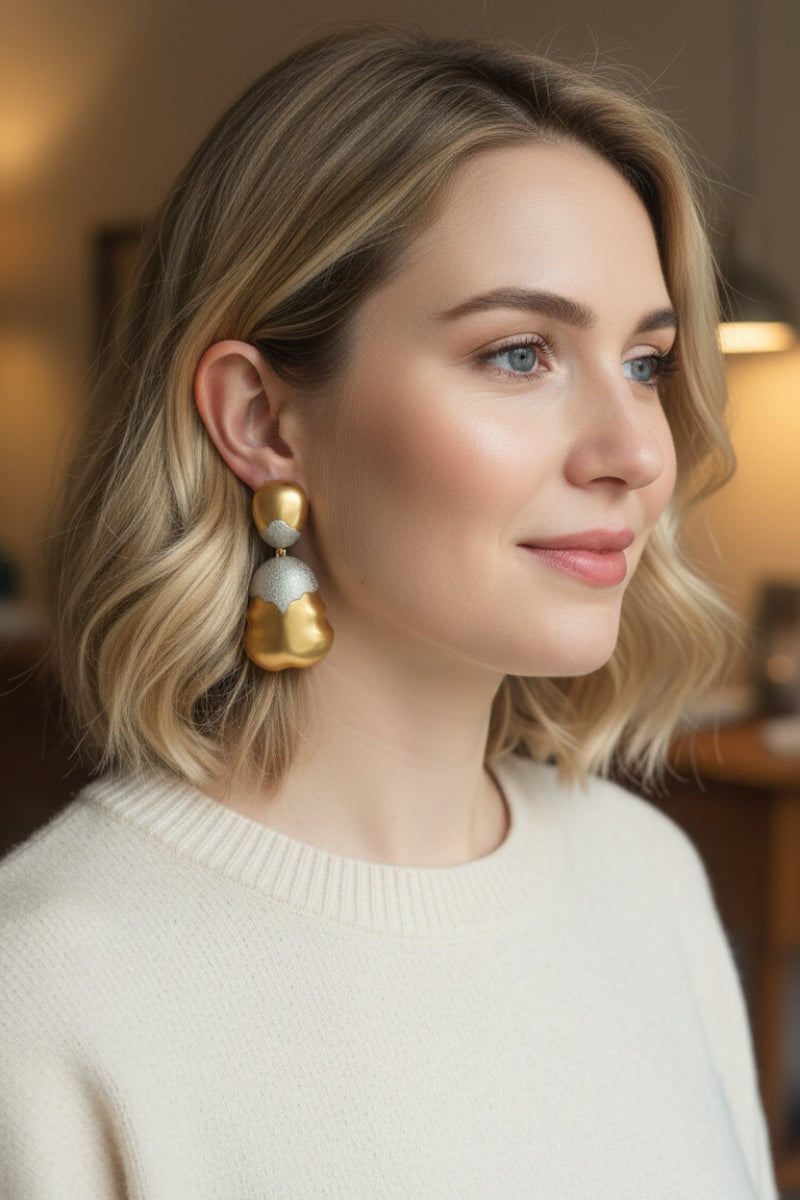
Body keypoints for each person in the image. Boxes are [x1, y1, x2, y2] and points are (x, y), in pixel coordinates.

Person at [0, 27, 777, 1199]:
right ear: (261, 420)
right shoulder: (49, 989)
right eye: (519, 354)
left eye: (645, 363)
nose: (634, 452)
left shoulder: (647, 879)